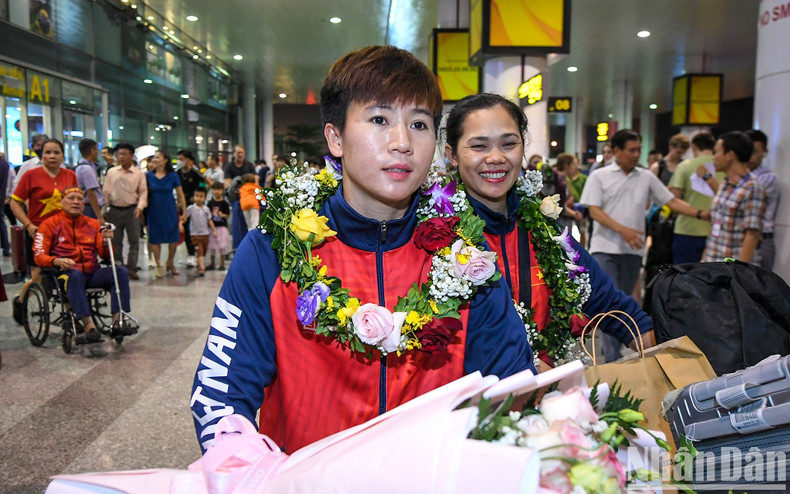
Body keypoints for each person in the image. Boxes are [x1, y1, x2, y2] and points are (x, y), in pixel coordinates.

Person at [191, 45, 532, 454]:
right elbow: (222, 396)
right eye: (379, 119)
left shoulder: (466, 259)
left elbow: (512, 385)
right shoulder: (272, 250)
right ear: (335, 138)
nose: (402, 142)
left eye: (419, 124)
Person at [444, 93, 654, 366]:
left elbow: (611, 304)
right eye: (479, 146)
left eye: (509, 144)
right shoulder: (435, 235)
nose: (496, 158)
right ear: (452, 156)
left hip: (546, 399)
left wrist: (669, 361)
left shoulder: (543, 230)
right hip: (473, 403)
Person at [579, 129, 708, 361]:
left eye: (639, 149)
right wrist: (623, 230)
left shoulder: (646, 177)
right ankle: (611, 357)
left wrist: (700, 213)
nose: (636, 154)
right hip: (604, 248)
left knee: (624, 302)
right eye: (631, 150)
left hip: (633, 251)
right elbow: (594, 211)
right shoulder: (600, 176)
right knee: (609, 306)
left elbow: (670, 200)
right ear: (616, 151)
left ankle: (621, 354)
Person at [33, 187, 133, 341]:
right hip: (64, 274)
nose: (76, 202)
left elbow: (105, 256)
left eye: (80, 199)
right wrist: (57, 261)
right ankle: (88, 325)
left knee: (120, 272)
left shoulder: (92, 224)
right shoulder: (48, 224)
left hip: (92, 272)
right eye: (71, 198)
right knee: (75, 275)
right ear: (61, 202)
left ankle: (117, 321)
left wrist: (106, 243)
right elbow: (39, 256)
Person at [11, 138, 79, 284]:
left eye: (56, 152)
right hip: (37, 231)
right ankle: (21, 301)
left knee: (68, 272)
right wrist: (28, 225)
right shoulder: (31, 175)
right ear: (42, 156)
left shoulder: (70, 175)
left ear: (62, 156)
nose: (52, 156)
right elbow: (15, 203)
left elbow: (76, 202)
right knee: (37, 276)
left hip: (64, 231)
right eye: (48, 152)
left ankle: (69, 307)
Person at [703, 131, 766, 263]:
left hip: (732, 269)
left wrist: (739, 272)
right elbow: (715, 226)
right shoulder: (725, 183)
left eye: (717, 152)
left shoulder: (752, 187)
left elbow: (752, 235)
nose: (714, 157)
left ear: (730, 155)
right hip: (713, 263)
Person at [667, 132, 721, 264]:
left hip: (687, 228)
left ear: (694, 146)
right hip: (716, 230)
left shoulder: (685, 166)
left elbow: (674, 198)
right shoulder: (722, 166)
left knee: (684, 274)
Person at [102, 143, 147, 280]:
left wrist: (140, 207)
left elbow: (143, 193)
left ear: (131, 156)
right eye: (119, 154)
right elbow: (106, 191)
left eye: (124, 154)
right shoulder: (111, 172)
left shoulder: (138, 174)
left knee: (134, 241)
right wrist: (105, 209)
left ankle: (132, 269)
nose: (121, 157)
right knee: (116, 241)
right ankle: (119, 268)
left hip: (132, 210)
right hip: (115, 210)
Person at [146, 150, 186, 278]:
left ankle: (170, 262)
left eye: (158, 157)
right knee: (155, 238)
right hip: (154, 209)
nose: (155, 159)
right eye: (155, 157)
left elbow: (180, 195)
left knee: (173, 238)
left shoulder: (173, 176)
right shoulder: (148, 176)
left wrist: (184, 211)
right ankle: (159, 264)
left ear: (165, 160)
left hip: (169, 209)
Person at [745, 129, 779, 271]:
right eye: (747, 150)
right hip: (738, 238)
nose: (750, 156)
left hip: (761, 239)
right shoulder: (735, 176)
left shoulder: (767, 178)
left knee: (759, 288)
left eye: (755, 151)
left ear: (765, 151)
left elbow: (744, 201)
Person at [177, 149, 205, 268]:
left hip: (193, 204)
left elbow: (203, 184)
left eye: (182, 159)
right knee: (185, 230)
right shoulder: (178, 173)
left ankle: (197, 254)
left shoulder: (195, 173)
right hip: (181, 204)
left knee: (193, 229)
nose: (179, 161)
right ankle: (190, 254)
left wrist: (197, 195)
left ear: (188, 160)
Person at [182, 187, 215, 275]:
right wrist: (180, 223)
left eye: (201, 196)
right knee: (199, 250)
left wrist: (214, 230)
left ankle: (198, 263)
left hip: (205, 233)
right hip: (195, 234)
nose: (198, 198)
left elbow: (209, 220)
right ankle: (202, 268)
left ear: (204, 198)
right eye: (196, 196)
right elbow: (185, 217)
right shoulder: (191, 208)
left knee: (204, 251)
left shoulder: (206, 209)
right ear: (193, 197)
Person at [75, 138, 105, 223]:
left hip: (89, 207)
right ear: (93, 150)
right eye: (97, 150)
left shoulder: (82, 166)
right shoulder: (86, 169)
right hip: (90, 208)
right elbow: (91, 193)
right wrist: (99, 216)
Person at [206, 182, 230, 271]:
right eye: (215, 189)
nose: (216, 192)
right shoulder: (210, 203)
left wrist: (221, 214)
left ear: (222, 191)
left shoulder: (224, 203)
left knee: (222, 246)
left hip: (222, 227)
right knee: (212, 246)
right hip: (212, 227)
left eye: (219, 189)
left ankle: (222, 263)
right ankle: (212, 263)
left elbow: (227, 214)